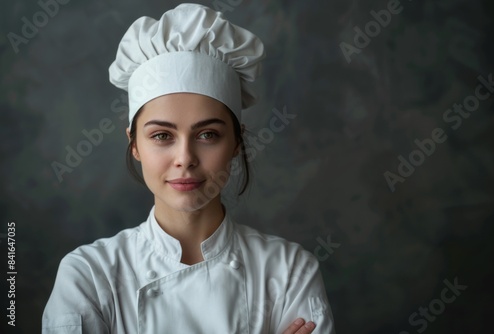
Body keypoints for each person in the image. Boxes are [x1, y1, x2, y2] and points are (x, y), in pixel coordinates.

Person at [42, 3, 335, 333]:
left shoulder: (289, 272)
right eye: (162, 135)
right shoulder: (89, 275)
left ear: (236, 143)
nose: (185, 157)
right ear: (134, 144)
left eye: (208, 134)